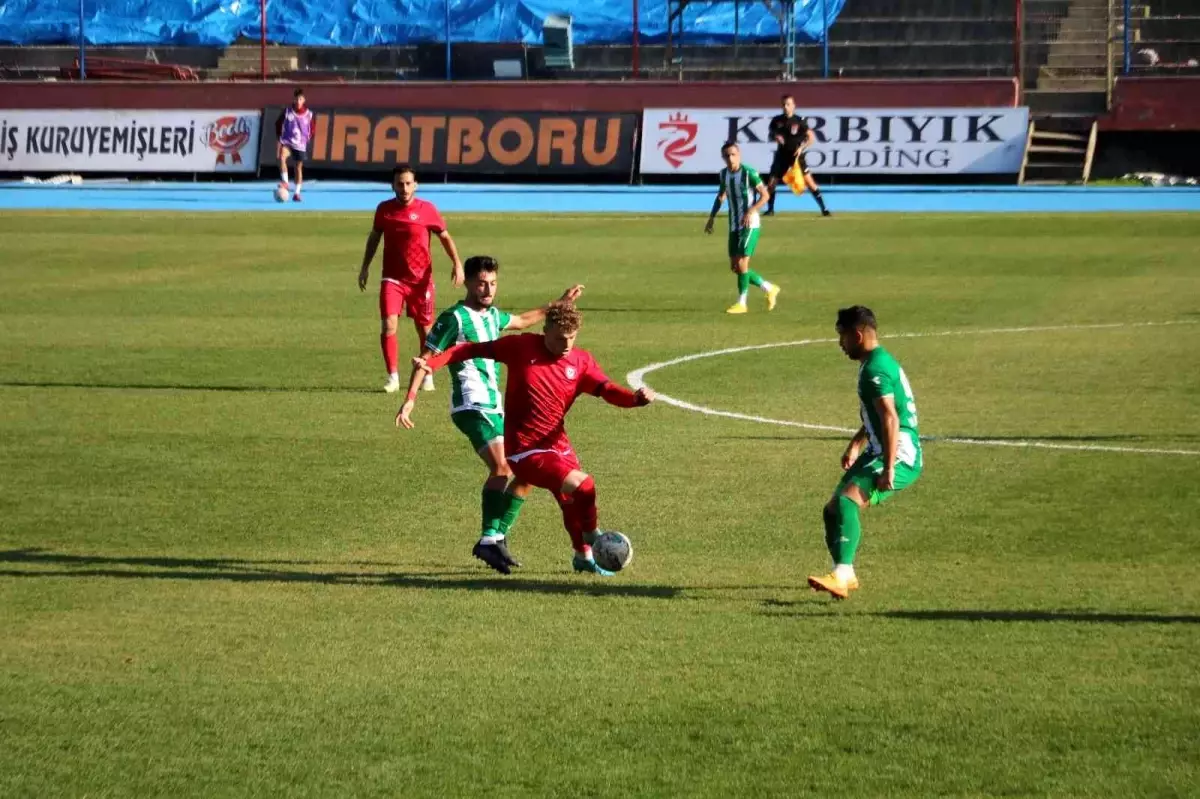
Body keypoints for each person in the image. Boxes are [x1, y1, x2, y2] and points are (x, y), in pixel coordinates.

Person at [413, 301, 655, 576]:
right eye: (559, 338)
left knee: (569, 500)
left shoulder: (581, 361)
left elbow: (606, 389)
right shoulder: (521, 347)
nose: (566, 344)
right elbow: (470, 348)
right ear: (545, 330)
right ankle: (592, 536)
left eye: (571, 338)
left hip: (557, 444)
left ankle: (583, 556)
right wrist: (432, 363)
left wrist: (634, 400)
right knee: (584, 485)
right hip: (523, 450)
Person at [396, 255, 584, 574]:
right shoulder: (453, 318)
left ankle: (497, 537)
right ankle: (488, 540)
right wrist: (410, 398)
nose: (488, 289)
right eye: (482, 282)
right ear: (468, 282)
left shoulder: (494, 316)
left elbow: (525, 321)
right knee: (502, 467)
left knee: (526, 473)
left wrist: (560, 303)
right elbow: (427, 357)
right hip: (471, 404)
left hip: (496, 404)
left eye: (493, 283)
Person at [808, 306, 923, 599]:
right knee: (833, 509)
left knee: (847, 503)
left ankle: (842, 574)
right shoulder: (875, 362)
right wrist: (857, 443)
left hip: (897, 453)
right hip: (878, 449)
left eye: (842, 336)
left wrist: (889, 468)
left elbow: (890, 418)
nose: (840, 343)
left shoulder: (875, 369)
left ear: (857, 335)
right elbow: (878, 414)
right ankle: (845, 574)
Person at [359, 165, 464, 394]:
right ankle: (393, 377)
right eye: (400, 183)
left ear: (415, 185)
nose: (404, 188)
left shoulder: (427, 210)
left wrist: (457, 263)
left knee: (425, 331)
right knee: (389, 324)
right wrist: (365, 266)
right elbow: (375, 238)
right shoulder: (384, 210)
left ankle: (425, 372)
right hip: (393, 279)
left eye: (408, 183)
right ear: (393, 185)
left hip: (421, 282)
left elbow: (444, 236)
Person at [704, 141, 782, 315]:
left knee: (742, 263)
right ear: (723, 157)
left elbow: (765, 195)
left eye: (733, 154)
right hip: (734, 225)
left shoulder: (748, 173)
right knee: (736, 267)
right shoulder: (724, 174)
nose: (730, 158)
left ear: (738, 155)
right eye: (727, 156)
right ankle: (769, 288)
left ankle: (742, 303)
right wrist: (711, 218)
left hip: (749, 223)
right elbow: (721, 196)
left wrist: (751, 210)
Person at [765, 95, 830, 218]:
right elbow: (770, 135)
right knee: (772, 183)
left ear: (793, 106)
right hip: (781, 156)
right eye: (783, 104)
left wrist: (801, 148)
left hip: (796, 157)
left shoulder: (800, 121)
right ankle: (770, 210)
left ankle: (824, 208)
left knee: (810, 183)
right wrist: (775, 137)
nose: (785, 107)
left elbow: (811, 138)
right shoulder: (776, 121)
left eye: (788, 104)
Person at [275, 88, 314, 203]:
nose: (298, 101)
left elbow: (312, 128)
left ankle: (297, 193)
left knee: (298, 168)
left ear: (304, 100)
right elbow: (278, 123)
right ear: (294, 99)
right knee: (282, 157)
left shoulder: (309, 114)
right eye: (296, 99)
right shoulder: (287, 112)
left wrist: (307, 138)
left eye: (300, 99)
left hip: (300, 144)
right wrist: (279, 137)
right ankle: (286, 182)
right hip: (287, 141)